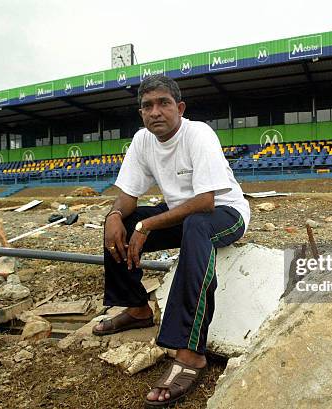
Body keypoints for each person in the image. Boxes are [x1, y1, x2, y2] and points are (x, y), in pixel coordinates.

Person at [94, 74, 250, 407]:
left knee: (193, 225)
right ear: (141, 114)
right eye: (147, 106)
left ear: (179, 107)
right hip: (181, 213)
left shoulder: (198, 134)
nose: (155, 112)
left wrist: (146, 226)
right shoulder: (142, 140)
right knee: (121, 222)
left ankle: (191, 351)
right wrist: (114, 217)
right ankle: (137, 310)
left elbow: (206, 201)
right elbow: (127, 196)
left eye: (163, 103)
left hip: (224, 213)